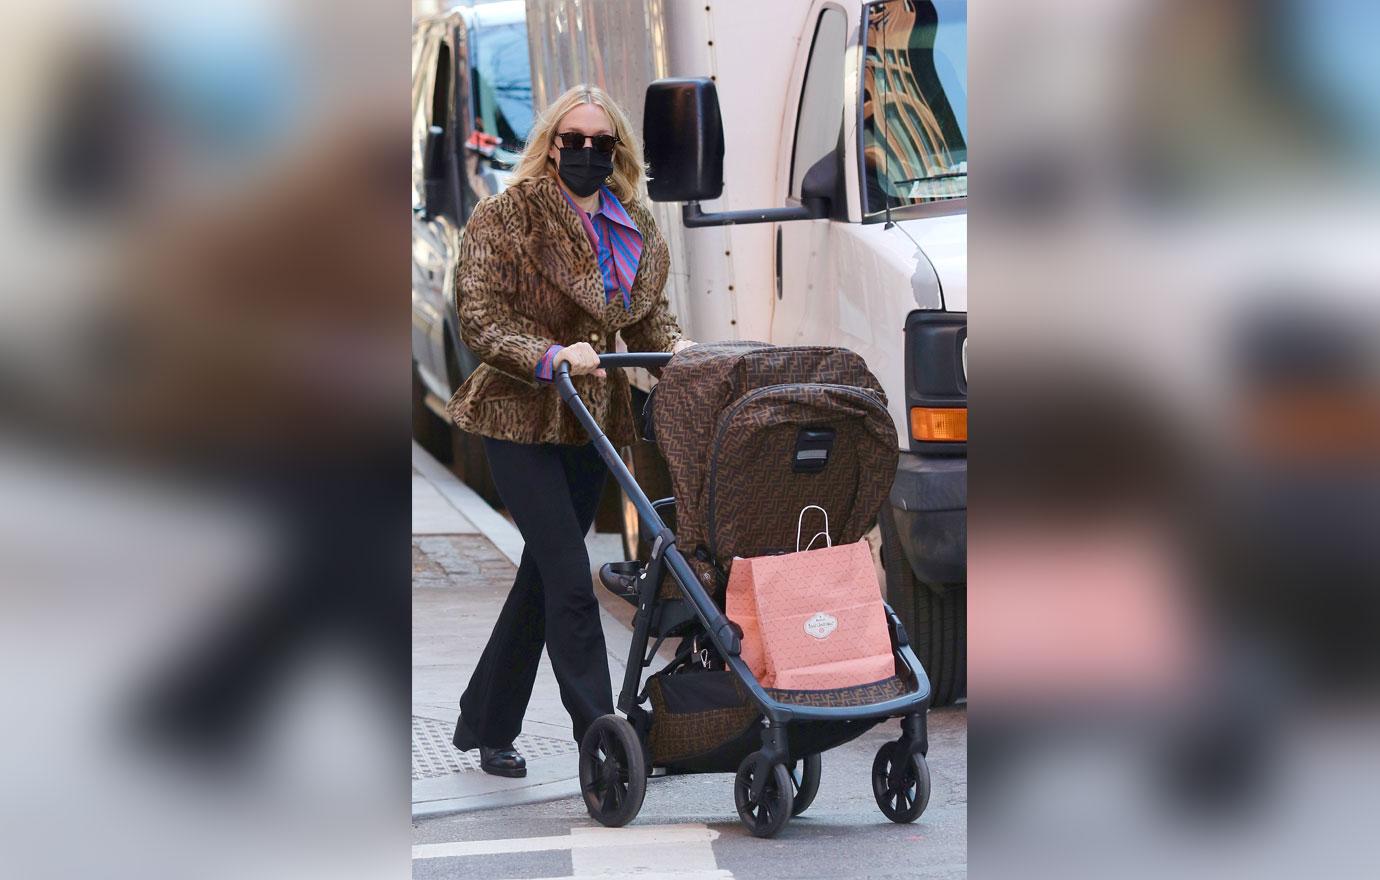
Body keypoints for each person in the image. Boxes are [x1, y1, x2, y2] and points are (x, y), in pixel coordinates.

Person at [446, 84, 696, 777]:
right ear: (551, 145)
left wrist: (676, 350)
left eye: (600, 142)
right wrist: (550, 356)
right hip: (519, 416)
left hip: (592, 425)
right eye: (573, 140)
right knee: (569, 578)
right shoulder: (507, 217)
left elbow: (649, 316)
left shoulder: (635, 224)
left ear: (617, 150)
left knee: (542, 579)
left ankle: (486, 723)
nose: (587, 152)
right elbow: (481, 318)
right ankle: (604, 738)